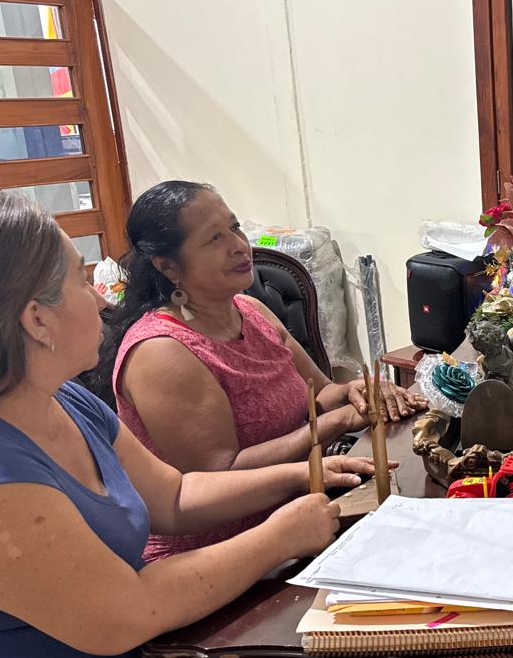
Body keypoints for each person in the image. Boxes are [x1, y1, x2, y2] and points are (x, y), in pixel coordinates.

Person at [0, 192, 374, 658]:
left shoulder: (65, 402)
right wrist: (280, 535)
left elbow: (173, 496)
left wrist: (303, 477)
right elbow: (128, 609)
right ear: (36, 320)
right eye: (81, 280)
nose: (102, 299)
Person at [86, 180, 426, 562]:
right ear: (168, 267)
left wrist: (357, 390)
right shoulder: (161, 351)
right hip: (221, 555)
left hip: (299, 518)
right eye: (214, 238)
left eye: (234, 227)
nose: (238, 245)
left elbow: (319, 393)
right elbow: (221, 473)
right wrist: (336, 422)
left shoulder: (250, 310)